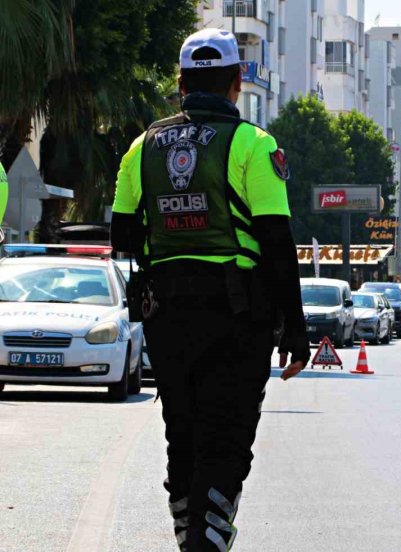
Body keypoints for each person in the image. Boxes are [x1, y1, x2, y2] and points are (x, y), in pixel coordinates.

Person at [110, 29, 310, 551]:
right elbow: (276, 240)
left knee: (183, 431)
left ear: (180, 83)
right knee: (226, 437)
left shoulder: (143, 146)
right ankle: (207, 541)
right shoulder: (253, 144)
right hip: (238, 315)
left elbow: (122, 236)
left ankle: (189, 537)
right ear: (236, 82)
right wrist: (296, 329)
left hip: (167, 316)